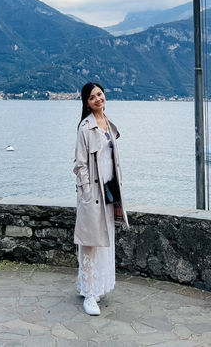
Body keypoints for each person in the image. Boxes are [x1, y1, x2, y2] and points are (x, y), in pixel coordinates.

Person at [73, 81, 129, 315]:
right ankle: (89, 293)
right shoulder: (85, 127)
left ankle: (99, 286)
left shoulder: (108, 122)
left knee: (105, 238)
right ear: (87, 103)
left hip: (109, 190)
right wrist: (86, 192)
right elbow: (79, 164)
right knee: (90, 242)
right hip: (93, 193)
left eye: (100, 94)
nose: (98, 99)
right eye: (92, 97)